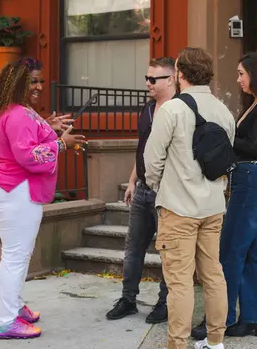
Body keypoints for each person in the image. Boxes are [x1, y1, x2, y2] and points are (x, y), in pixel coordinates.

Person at [0, 57, 85, 340]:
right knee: (15, 257)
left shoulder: (17, 110)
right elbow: (28, 155)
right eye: (33, 82)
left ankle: (14, 307)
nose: (39, 86)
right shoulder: (17, 114)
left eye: (40, 81)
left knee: (18, 255)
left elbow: (30, 141)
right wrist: (62, 143)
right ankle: (7, 321)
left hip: (11, 190)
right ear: (18, 83)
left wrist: (49, 127)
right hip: (16, 192)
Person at [191, 52, 257, 340]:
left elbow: (255, 145)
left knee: (230, 251)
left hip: (252, 179)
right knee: (250, 252)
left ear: (256, 74)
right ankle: (256, 320)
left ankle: (218, 320)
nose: (238, 80)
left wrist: (223, 135)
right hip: (247, 179)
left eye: (241, 74)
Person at [144, 47, 236, 349]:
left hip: (178, 207)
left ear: (179, 73)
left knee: (180, 283)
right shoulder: (224, 111)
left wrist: (159, 186)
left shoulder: (172, 109)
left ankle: (178, 344)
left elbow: (152, 161)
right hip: (212, 206)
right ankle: (216, 341)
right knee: (214, 276)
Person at [106, 57, 177, 324]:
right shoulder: (147, 109)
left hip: (167, 192)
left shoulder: (180, 109)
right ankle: (128, 299)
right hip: (143, 189)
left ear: (170, 79)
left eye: (153, 79)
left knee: (167, 250)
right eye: (146, 78)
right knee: (133, 247)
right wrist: (132, 181)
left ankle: (165, 302)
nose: (147, 83)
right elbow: (143, 147)